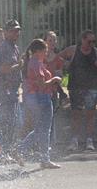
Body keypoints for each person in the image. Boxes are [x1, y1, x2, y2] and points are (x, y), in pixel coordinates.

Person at [15, 38, 62, 168]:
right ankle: (21, 150)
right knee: (43, 129)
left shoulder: (33, 62)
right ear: (39, 51)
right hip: (41, 98)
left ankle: (42, 158)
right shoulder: (36, 63)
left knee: (41, 129)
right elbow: (42, 85)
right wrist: (55, 79)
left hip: (35, 98)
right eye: (45, 50)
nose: (46, 53)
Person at [59, 30, 97, 151]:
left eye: (94, 41)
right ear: (83, 40)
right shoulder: (73, 50)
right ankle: (74, 140)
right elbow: (58, 58)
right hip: (76, 86)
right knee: (76, 114)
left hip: (92, 86)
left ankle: (89, 140)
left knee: (90, 114)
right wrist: (67, 64)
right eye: (89, 41)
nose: (92, 44)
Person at [0, 19, 22, 152]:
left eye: (18, 30)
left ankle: (7, 151)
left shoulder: (14, 47)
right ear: (6, 32)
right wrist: (19, 66)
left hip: (13, 90)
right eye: (13, 31)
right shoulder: (5, 47)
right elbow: (3, 69)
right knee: (8, 123)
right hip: (6, 91)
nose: (16, 33)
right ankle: (4, 152)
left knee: (13, 122)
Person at [44, 31, 66, 145]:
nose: (52, 43)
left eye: (54, 40)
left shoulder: (58, 59)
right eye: (50, 40)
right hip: (39, 92)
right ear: (45, 42)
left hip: (52, 92)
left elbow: (59, 76)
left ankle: (50, 142)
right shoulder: (39, 57)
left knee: (50, 118)